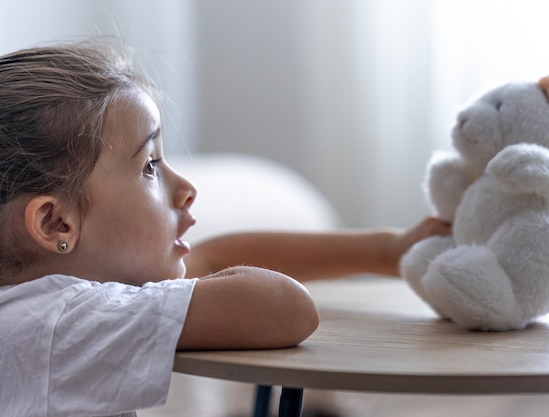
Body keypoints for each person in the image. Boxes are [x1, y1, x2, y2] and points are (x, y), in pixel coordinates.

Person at [0, 39, 451, 417]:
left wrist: (390, 250)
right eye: (150, 166)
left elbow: (213, 258)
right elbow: (281, 308)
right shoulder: (56, 320)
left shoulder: (30, 310)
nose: (187, 188)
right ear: (55, 221)